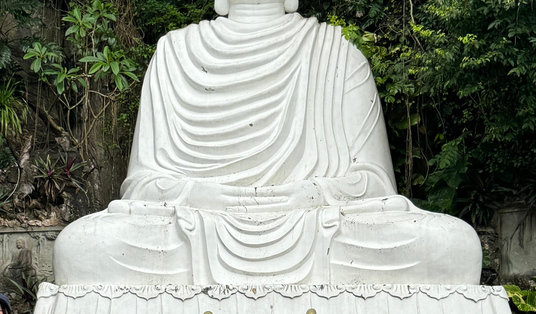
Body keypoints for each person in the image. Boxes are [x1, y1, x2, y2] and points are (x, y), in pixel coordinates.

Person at [52, 0, 482, 287]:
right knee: (83, 248)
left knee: (451, 245)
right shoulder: (173, 53)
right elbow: (144, 184)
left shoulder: (337, 51)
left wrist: (310, 193)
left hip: (318, 225)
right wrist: (200, 194)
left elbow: (373, 182)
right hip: (197, 224)